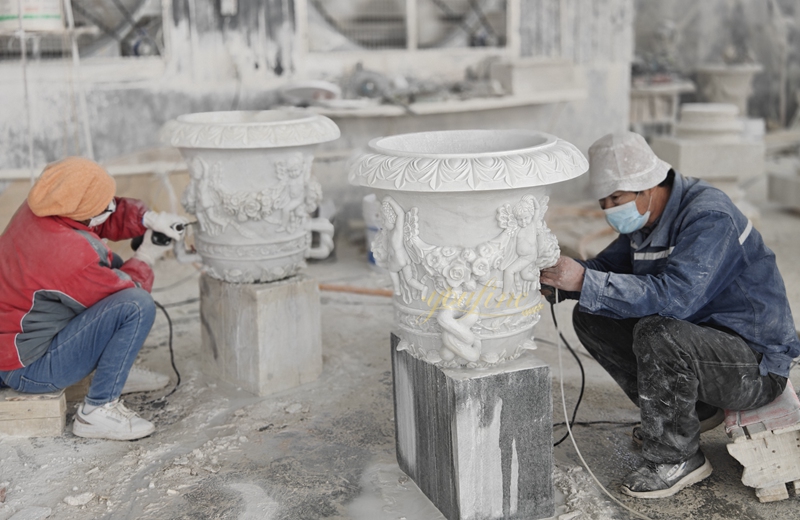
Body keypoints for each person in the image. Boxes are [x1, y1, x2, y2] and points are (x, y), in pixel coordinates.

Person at [540, 131, 800, 498]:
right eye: (604, 200)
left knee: (659, 333)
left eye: (617, 197)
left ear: (648, 186)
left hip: (754, 367)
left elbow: (677, 299)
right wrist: (562, 281)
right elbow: (603, 269)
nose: (610, 208)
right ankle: (692, 410)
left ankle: (675, 456)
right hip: (707, 349)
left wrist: (584, 279)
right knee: (592, 313)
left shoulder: (709, 217)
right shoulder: (648, 221)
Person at [0, 157, 187, 440]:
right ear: (85, 212)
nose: (110, 207)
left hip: (15, 345)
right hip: (29, 369)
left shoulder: (43, 207)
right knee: (135, 305)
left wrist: (147, 219)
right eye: (104, 206)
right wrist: (147, 255)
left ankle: (114, 369)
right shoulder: (70, 253)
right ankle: (97, 409)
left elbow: (98, 215)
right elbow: (128, 288)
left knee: (114, 269)